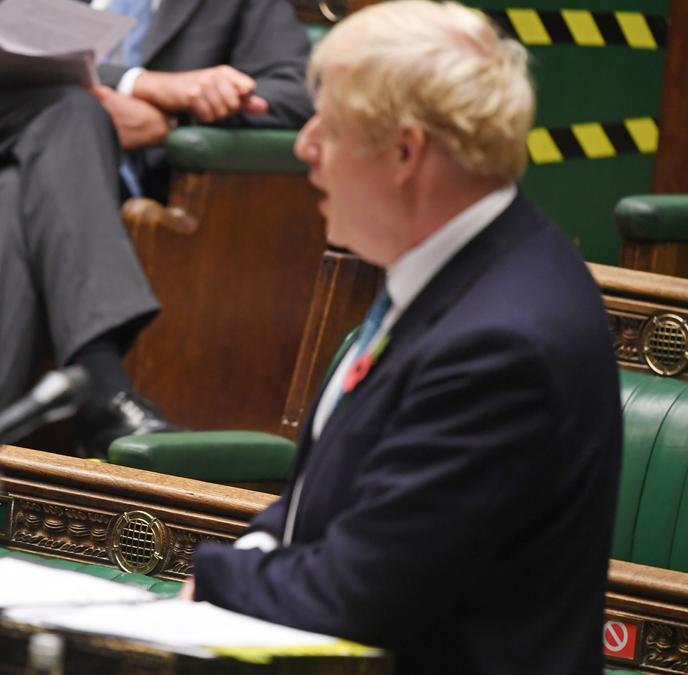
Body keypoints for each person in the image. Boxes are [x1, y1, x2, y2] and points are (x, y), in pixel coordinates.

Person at [186, 3, 621, 673]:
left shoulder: (504, 339)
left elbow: (357, 594)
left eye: (326, 124)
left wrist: (214, 578)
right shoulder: (446, 270)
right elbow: (324, 498)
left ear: (404, 152)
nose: (304, 145)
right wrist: (253, 553)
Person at [0, 0, 313, 455]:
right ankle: (102, 390)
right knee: (73, 107)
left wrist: (172, 120)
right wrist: (142, 85)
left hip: (81, 197)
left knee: (13, 193)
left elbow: (298, 93)